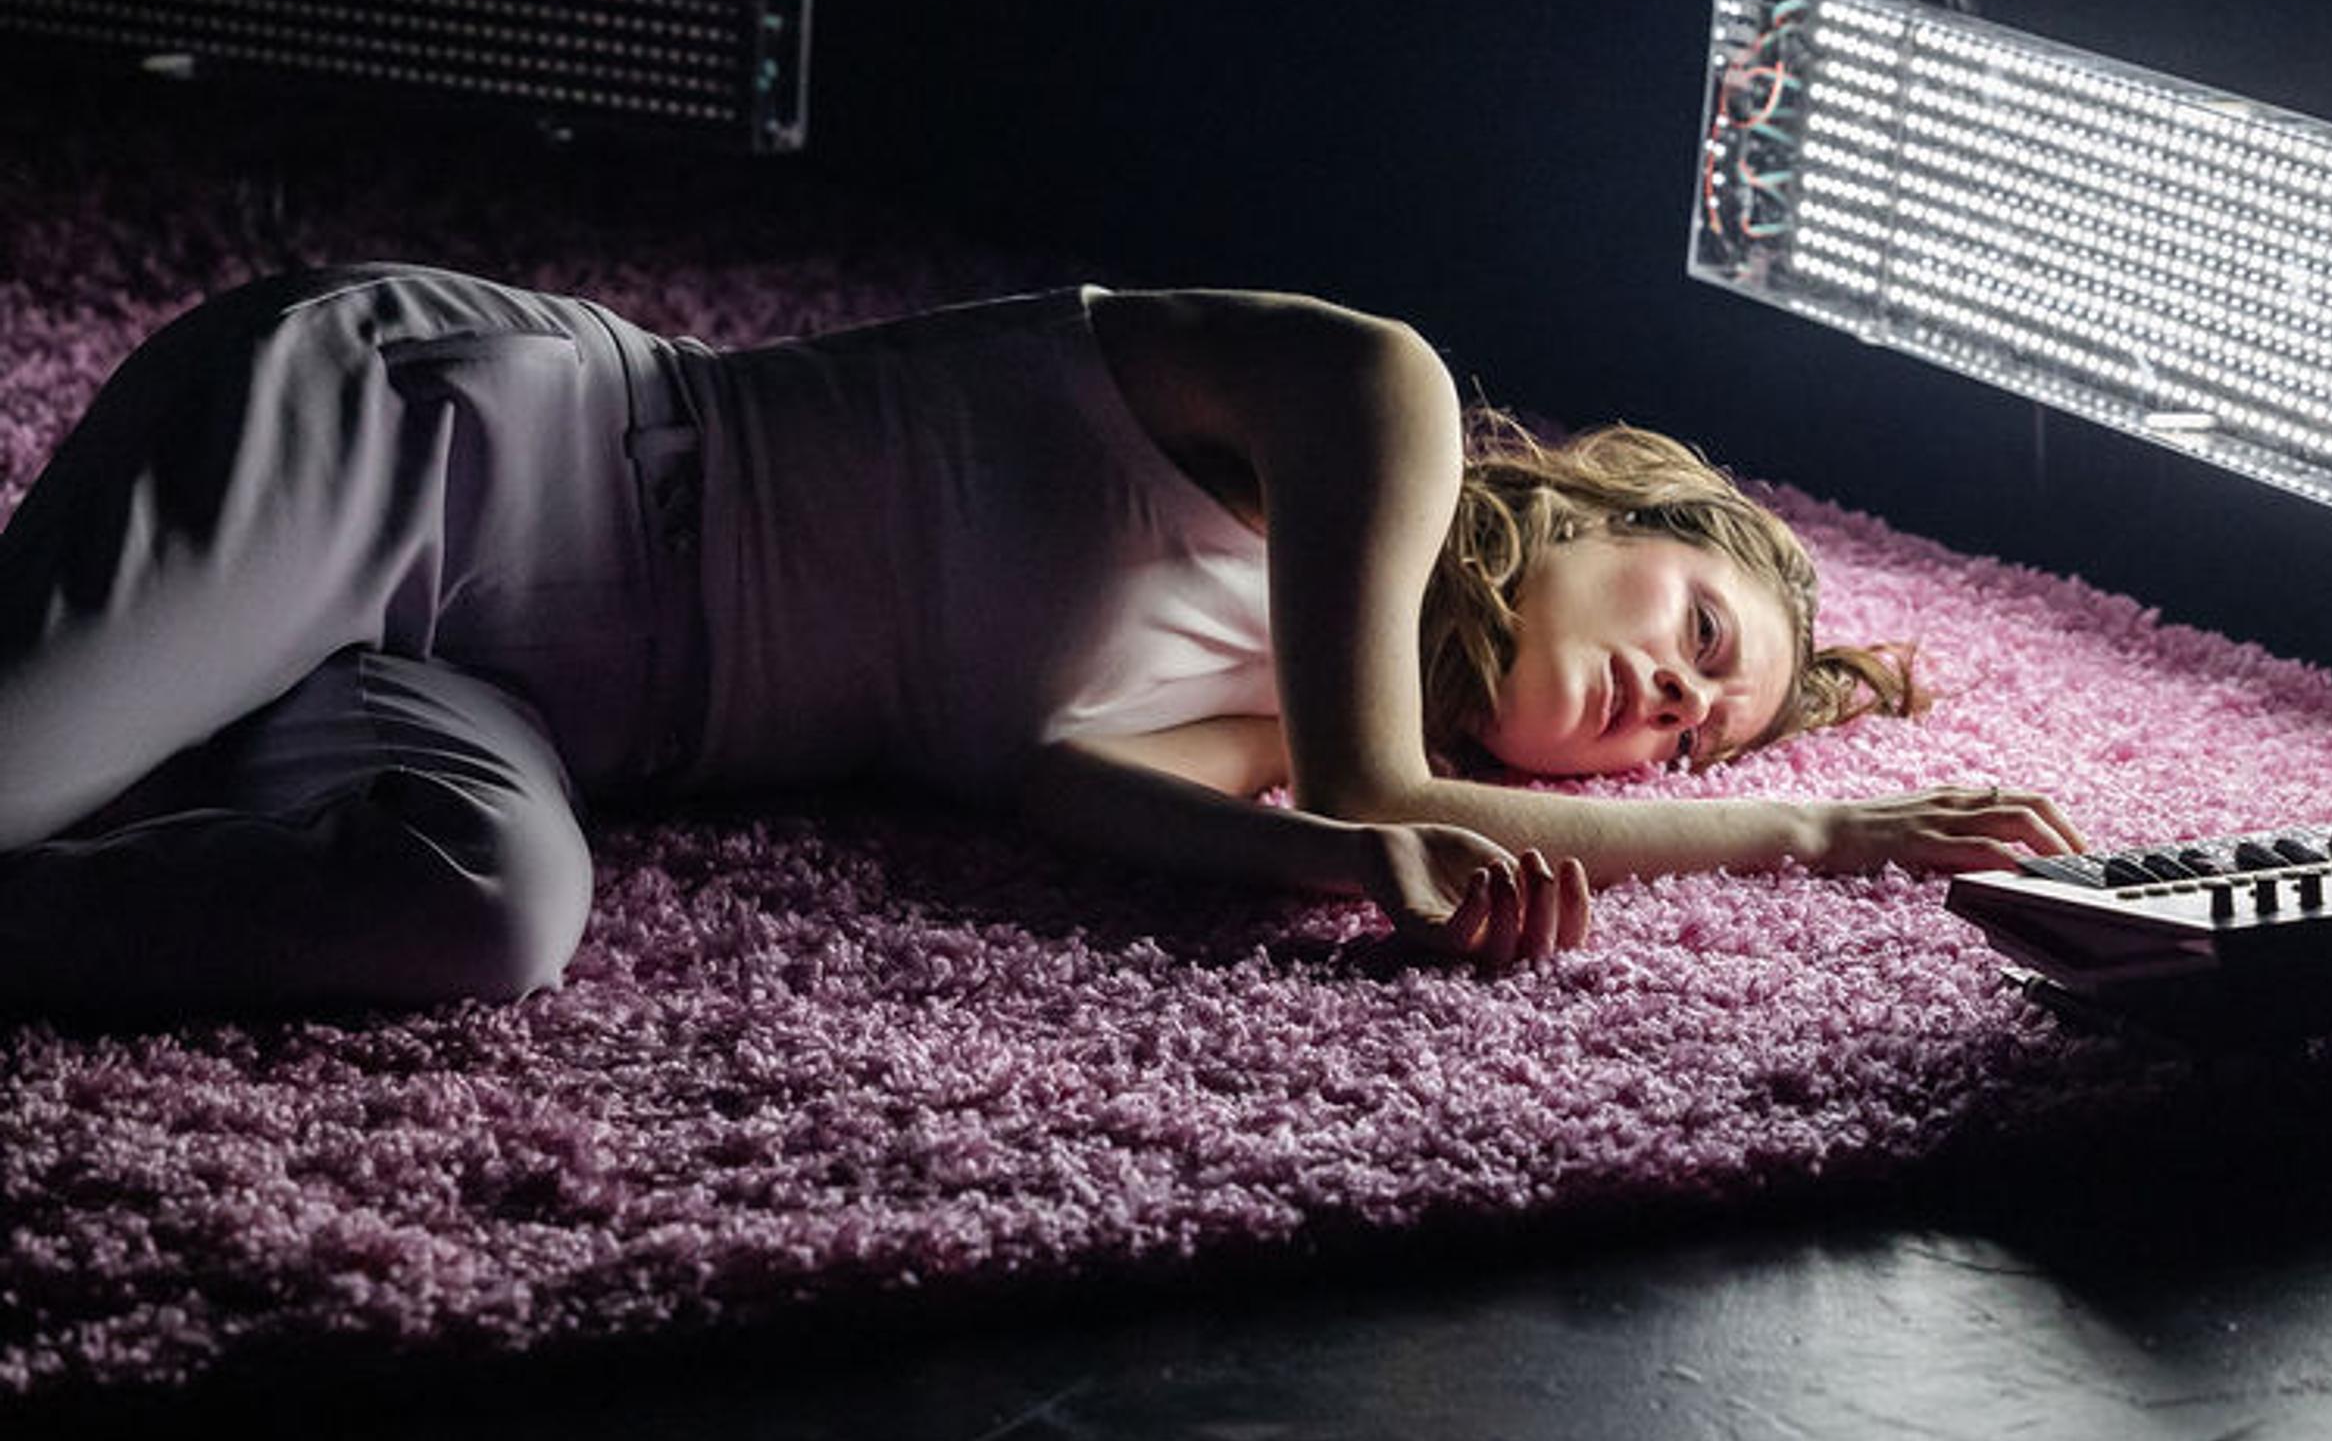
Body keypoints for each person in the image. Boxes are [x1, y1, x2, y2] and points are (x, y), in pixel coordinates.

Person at [1, 263, 2080, 1022]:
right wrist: (1819, 838)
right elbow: (1383, 787)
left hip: (512, 703)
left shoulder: (1275, 726)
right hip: (448, 447)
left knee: (495, 915)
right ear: (1610, 510)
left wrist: (1369, 872)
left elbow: (1100, 795)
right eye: (1694, 619)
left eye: (1701, 733)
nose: (1670, 695)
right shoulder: (1380, 397)